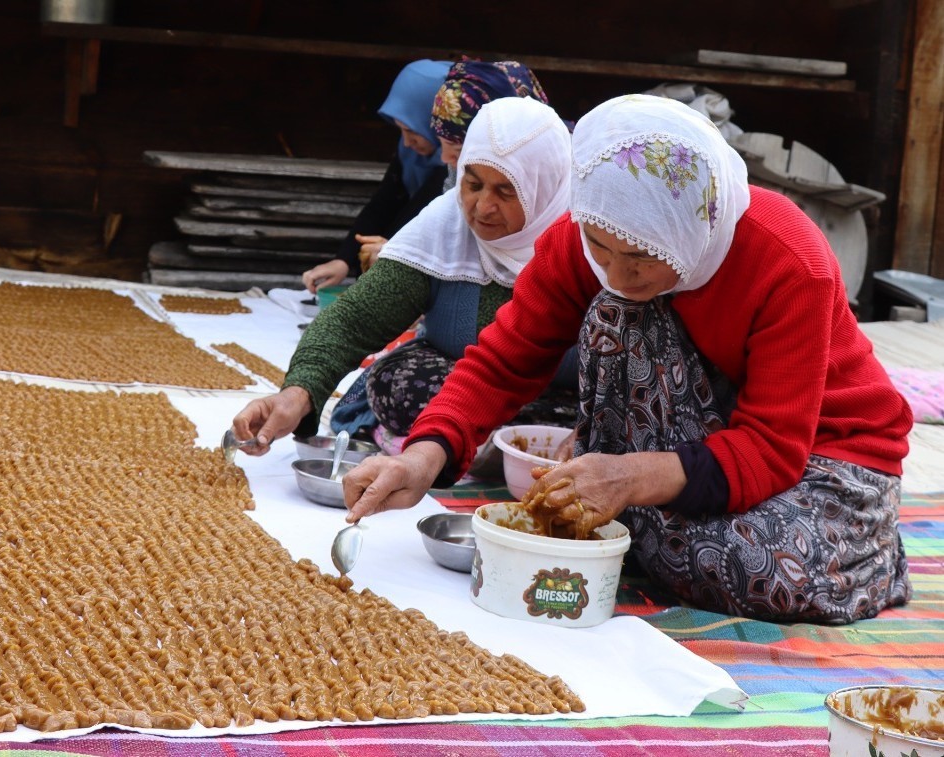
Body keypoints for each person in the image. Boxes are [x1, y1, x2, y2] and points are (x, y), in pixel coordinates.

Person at [343, 94, 912, 625]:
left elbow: (772, 447)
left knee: (751, 566)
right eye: (599, 247)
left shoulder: (788, 260)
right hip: (701, 454)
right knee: (618, 314)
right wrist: (422, 456)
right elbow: (503, 359)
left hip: (822, 459)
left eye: (641, 256)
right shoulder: (587, 235)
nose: (615, 272)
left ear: (693, 228)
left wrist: (629, 476)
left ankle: (867, 554)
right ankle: (641, 515)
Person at [233, 97, 573, 452]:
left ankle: (501, 444)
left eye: (506, 191)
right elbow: (354, 321)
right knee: (396, 381)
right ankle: (489, 445)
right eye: (472, 185)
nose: (482, 207)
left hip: (560, 399)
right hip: (464, 394)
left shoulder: (584, 244)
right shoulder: (445, 226)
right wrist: (296, 393)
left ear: (544, 190)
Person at [301, 60, 451, 294]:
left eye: (413, 131)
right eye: (400, 130)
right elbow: (384, 202)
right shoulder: (411, 152)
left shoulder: (455, 163)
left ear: (437, 123)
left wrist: (387, 253)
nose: (407, 142)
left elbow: (417, 219)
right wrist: (343, 260)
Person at [430, 58, 554, 179]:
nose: (444, 158)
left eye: (461, 149)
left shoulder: (563, 173)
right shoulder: (461, 167)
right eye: (442, 142)